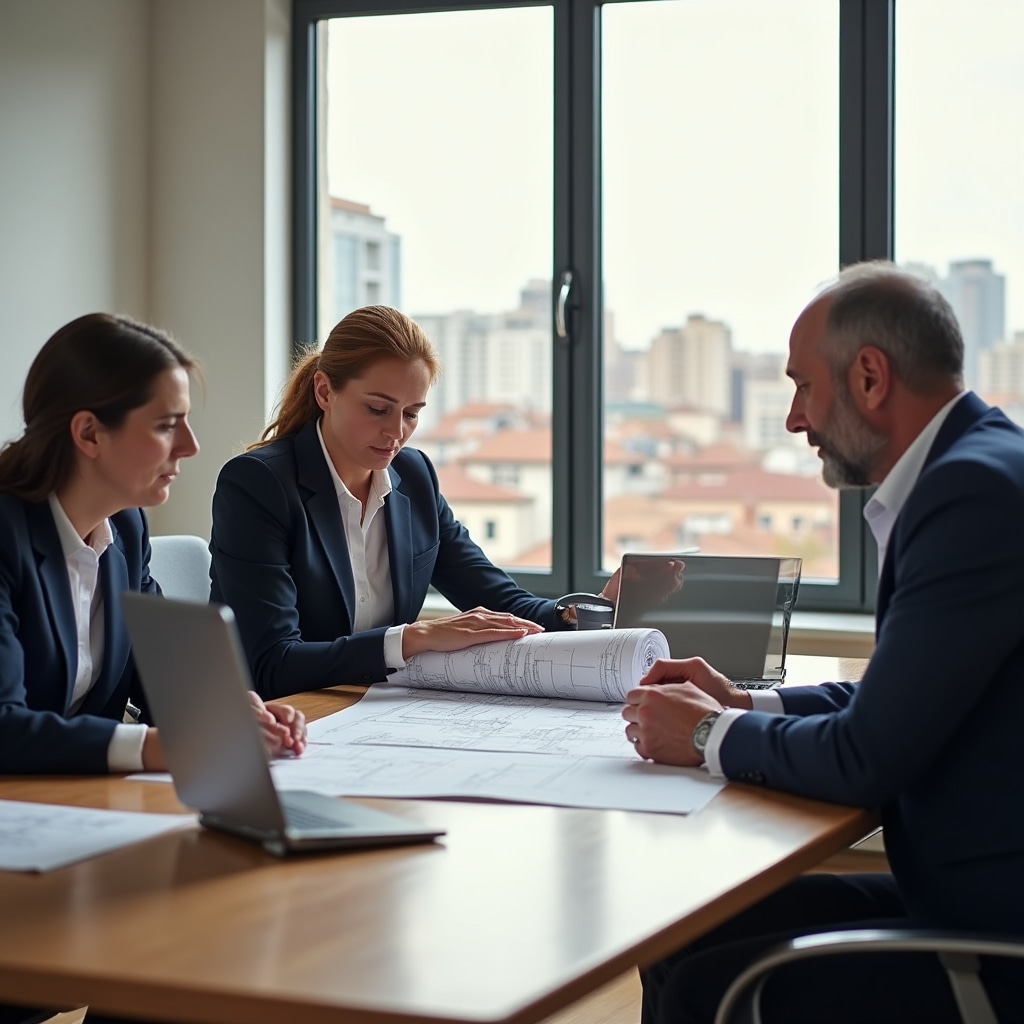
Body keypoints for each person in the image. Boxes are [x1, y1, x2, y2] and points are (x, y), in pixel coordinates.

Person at [622, 262, 1024, 1023]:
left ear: (870, 377)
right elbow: (898, 696)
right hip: (961, 890)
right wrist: (747, 700)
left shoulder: (968, 495)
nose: (794, 419)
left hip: (992, 926)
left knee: (716, 989)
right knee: (679, 930)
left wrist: (706, 733)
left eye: (803, 386)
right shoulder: (981, 463)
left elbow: (867, 756)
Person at [0, 313, 307, 1024]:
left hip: (69, 827)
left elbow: (160, 667)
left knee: (201, 934)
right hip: (20, 852)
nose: (193, 446)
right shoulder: (6, 537)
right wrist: (158, 745)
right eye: (168, 424)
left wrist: (237, 711)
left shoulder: (126, 525)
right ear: (88, 433)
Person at [210, 304, 619, 700]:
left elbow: (502, 601)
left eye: (411, 413)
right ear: (324, 391)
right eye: (377, 409)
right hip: (281, 715)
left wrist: (590, 610)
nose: (396, 432)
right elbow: (272, 664)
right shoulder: (258, 484)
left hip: (367, 710)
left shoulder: (415, 477)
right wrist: (413, 638)